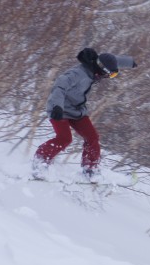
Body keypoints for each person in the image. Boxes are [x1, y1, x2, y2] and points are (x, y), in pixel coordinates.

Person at [32, 47, 136, 181]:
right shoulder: (78, 74)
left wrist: (131, 62)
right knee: (65, 138)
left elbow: (113, 60)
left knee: (92, 137)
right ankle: (40, 161)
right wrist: (57, 106)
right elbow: (59, 86)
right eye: (110, 74)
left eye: (113, 75)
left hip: (76, 110)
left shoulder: (96, 66)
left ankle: (90, 169)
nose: (109, 77)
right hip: (59, 109)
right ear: (101, 70)